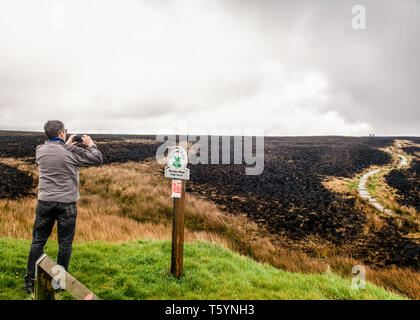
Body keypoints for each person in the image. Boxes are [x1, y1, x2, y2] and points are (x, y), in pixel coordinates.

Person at [24, 120, 103, 294]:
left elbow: (58, 152)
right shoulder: (71, 151)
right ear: (61, 133)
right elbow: (97, 158)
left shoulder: (40, 150)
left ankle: (30, 281)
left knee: (38, 241)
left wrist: (64, 144)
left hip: (44, 202)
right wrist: (91, 144)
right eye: (64, 132)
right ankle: (59, 283)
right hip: (66, 204)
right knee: (65, 244)